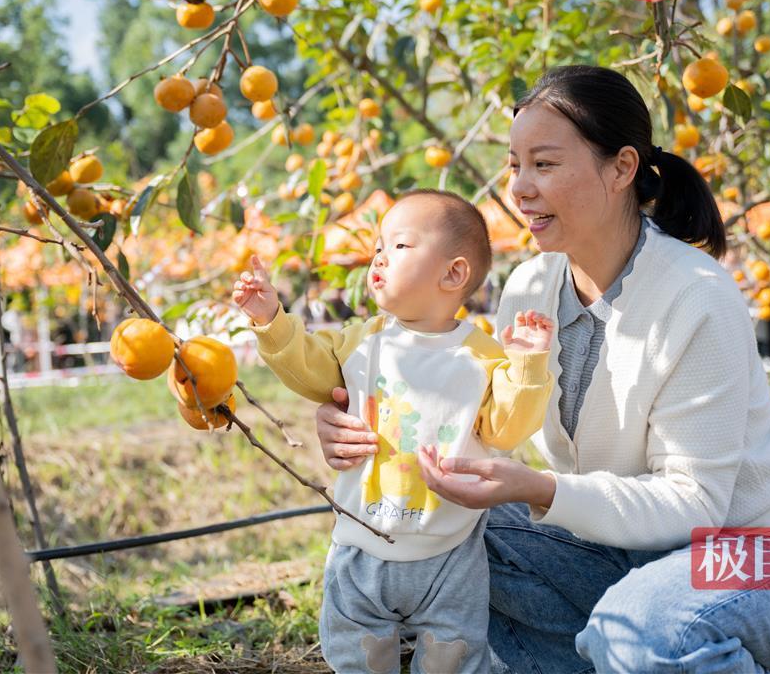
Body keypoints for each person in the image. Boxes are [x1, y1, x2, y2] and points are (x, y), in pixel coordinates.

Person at [316, 66, 770, 674]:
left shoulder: (697, 296)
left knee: (639, 631)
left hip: (762, 555)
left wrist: (539, 489)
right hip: (621, 553)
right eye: (515, 165)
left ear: (621, 168)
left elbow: (695, 505)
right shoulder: (529, 289)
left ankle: (666, 647)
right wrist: (360, 422)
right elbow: (468, 414)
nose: (520, 188)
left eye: (544, 164)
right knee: (436, 536)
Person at [232, 189, 556, 674]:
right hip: (361, 543)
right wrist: (271, 322)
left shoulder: (482, 355)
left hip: (450, 554)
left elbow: (507, 428)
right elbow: (310, 369)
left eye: (399, 246)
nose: (379, 257)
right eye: (379, 247)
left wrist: (527, 364)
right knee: (357, 653)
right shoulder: (363, 340)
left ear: (454, 274)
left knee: (453, 655)